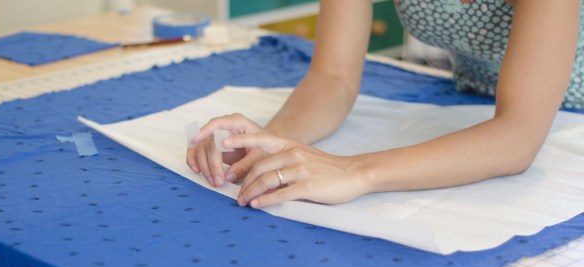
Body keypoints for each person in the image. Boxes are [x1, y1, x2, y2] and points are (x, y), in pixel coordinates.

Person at [187, 0, 582, 209]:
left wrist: (355, 171)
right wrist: (270, 141)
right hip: (474, 98)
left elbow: (519, 136)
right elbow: (333, 77)